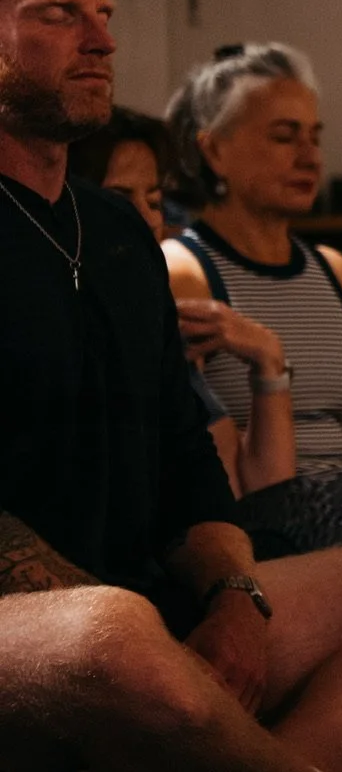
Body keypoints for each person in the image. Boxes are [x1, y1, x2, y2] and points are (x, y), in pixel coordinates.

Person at [0, 0, 342, 772]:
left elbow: (181, 457)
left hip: (149, 598)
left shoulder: (119, 234)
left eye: (106, 17)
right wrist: (148, 632)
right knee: (112, 635)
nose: (101, 42)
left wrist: (233, 599)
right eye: (57, 15)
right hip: (52, 629)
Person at [163, 45, 342, 555]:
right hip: (253, 529)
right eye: (285, 137)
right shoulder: (184, 273)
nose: (310, 157)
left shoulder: (338, 272)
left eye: (315, 137)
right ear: (213, 150)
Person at [70, 108, 295, 496]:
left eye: (154, 201)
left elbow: (267, 497)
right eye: (118, 197)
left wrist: (268, 361)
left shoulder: (154, 330)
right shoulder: (70, 332)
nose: (145, 218)